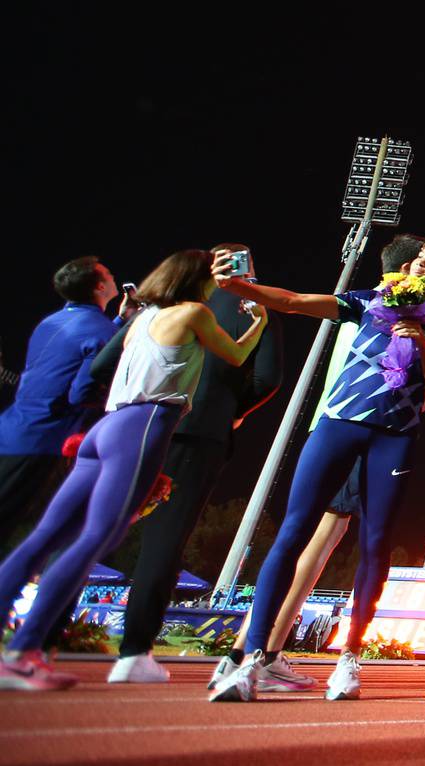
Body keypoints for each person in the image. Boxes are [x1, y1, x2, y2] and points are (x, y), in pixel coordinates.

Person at [211, 239, 425, 703]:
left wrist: (423, 344)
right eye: (420, 257)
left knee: (374, 543)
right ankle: (250, 659)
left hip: (393, 437)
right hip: (338, 424)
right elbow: (294, 303)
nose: (421, 264)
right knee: (293, 531)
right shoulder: (370, 301)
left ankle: (349, 660)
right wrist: (237, 286)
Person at [0, 251, 266, 691]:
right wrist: (257, 320)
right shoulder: (194, 312)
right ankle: (24, 650)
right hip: (144, 426)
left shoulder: (141, 318)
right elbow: (235, 356)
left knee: (46, 536)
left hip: (105, 429)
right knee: (95, 539)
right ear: (197, 280)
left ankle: (20, 650)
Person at [95, 242, 284, 684]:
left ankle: (38, 635)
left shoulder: (160, 306)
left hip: (123, 423)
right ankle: (134, 652)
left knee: (91, 528)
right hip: (198, 433)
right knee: (164, 541)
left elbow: (102, 364)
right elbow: (267, 377)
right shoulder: (256, 305)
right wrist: (233, 409)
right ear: (248, 269)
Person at [0, 257, 134, 536]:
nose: (112, 277)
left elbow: (75, 349)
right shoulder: (101, 331)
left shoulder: (52, 321)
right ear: (99, 286)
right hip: (44, 437)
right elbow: (81, 392)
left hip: (11, 428)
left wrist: (119, 321)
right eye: (108, 274)